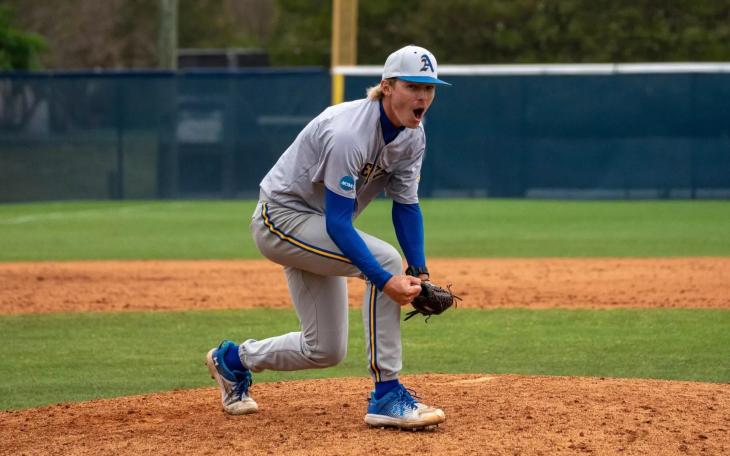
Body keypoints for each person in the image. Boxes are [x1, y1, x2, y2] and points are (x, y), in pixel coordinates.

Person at [205, 45, 451, 430]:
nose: (423, 96)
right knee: (384, 261)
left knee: (324, 349)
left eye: (430, 88)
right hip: (281, 219)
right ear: (387, 86)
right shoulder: (348, 132)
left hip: (317, 227)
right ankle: (387, 394)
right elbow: (339, 224)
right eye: (413, 85)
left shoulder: (412, 137)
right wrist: (386, 280)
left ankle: (233, 361)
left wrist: (418, 270)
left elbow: (405, 204)